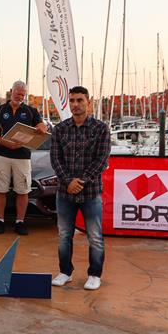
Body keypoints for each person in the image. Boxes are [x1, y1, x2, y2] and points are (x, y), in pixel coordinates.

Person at [49, 86, 111, 291]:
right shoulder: (60, 129)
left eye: (80, 100)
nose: (75, 105)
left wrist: (80, 181)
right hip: (65, 193)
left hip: (91, 193)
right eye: (72, 101)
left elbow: (101, 160)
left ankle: (94, 274)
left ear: (88, 102)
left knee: (95, 235)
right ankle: (65, 272)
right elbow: (56, 159)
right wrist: (68, 182)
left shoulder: (100, 129)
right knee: (64, 234)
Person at [0, 81, 47, 235]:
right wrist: (5, 143)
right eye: (17, 93)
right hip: (2, 154)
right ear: (11, 91)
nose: (19, 96)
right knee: (0, 189)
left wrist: (41, 128)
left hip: (23, 156)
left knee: (23, 190)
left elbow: (42, 126)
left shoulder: (31, 111)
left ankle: (20, 222)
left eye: (22, 94)